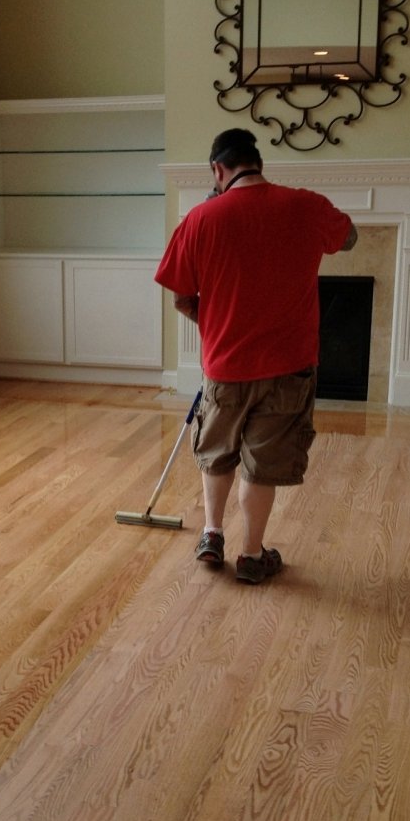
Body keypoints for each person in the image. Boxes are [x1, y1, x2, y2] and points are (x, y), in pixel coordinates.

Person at [154, 128, 357, 583]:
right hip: (290, 366)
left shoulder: (200, 219)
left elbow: (182, 298)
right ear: (258, 163)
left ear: (217, 169)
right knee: (262, 462)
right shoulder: (304, 205)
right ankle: (250, 555)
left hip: (225, 365)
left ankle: (211, 534)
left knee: (218, 452)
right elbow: (350, 239)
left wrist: (216, 325)